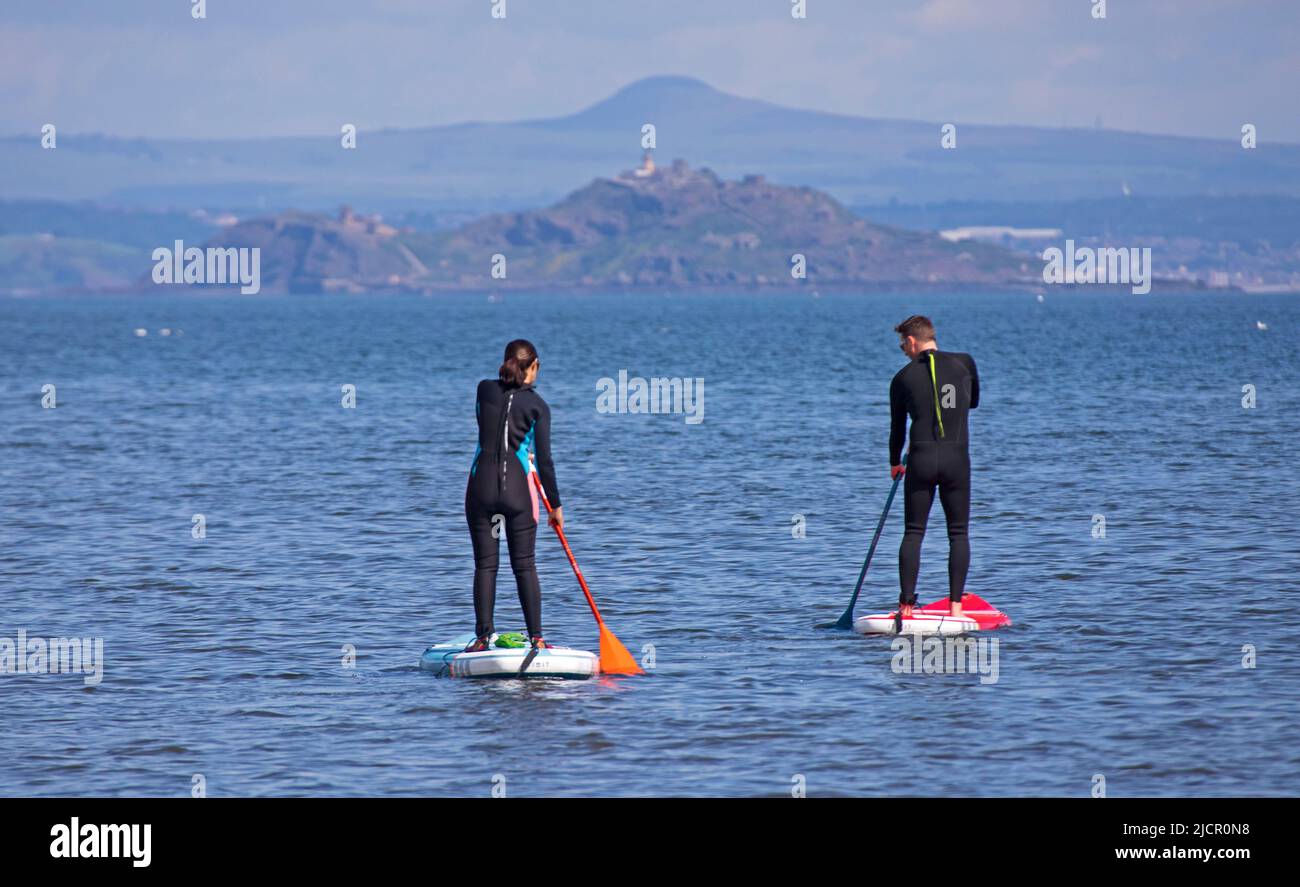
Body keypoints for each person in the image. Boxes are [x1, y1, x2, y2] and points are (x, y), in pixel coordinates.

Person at [464, 339, 563, 652]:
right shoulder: (538, 407)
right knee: (524, 566)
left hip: (481, 492)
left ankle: (483, 638)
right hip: (517, 495)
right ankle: (537, 638)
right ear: (532, 367)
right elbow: (545, 461)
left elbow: (493, 425)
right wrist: (556, 507)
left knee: (486, 565)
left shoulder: (483, 389)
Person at [889, 315, 979, 619]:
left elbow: (897, 430)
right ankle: (956, 609)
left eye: (903, 343)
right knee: (958, 534)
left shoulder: (901, 378)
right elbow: (973, 402)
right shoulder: (965, 363)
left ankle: (906, 607)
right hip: (957, 460)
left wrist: (893, 463)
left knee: (913, 532)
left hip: (920, 461)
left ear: (913, 341)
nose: (902, 349)